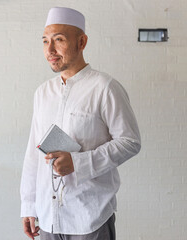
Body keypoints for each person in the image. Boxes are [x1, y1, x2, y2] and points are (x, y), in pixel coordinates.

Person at [20, 7, 141, 240]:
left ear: (82, 42)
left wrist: (79, 163)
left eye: (59, 40)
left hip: (90, 216)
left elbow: (130, 142)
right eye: (45, 41)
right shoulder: (42, 93)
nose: (50, 50)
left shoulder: (105, 87)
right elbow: (32, 153)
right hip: (48, 218)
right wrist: (28, 205)